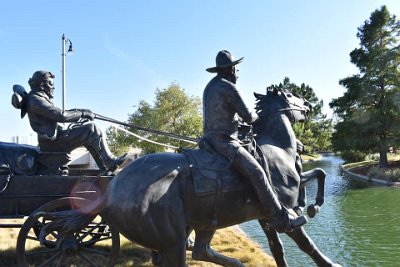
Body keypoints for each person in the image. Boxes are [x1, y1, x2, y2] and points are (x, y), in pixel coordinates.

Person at [202, 50, 306, 232]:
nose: (238, 73)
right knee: (257, 171)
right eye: (236, 69)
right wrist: (259, 117)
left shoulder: (210, 86)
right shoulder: (228, 87)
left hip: (208, 139)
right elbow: (249, 116)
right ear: (231, 69)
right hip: (225, 141)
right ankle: (279, 217)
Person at [25, 70, 127, 174]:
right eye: (51, 84)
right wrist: (82, 114)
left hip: (54, 140)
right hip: (52, 143)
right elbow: (61, 115)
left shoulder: (39, 97)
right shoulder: (36, 100)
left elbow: (60, 113)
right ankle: (110, 161)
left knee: (88, 132)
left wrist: (82, 111)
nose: (53, 87)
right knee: (91, 129)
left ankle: (105, 168)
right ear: (42, 85)